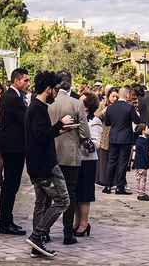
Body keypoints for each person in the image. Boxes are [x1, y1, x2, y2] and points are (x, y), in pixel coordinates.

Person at [24, 70, 73, 258]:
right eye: (55, 89)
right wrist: (60, 124)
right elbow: (42, 135)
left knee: (41, 203)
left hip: (36, 163)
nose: (56, 93)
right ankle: (37, 237)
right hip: (45, 165)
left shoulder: (36, 106)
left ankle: (37, 246)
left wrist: (59, 131)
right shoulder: (38, 108)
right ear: (48, 89)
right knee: (62, 201)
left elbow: (42, 134)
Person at [47, 70, 90, 245]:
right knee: (69, 195)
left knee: (48, 195)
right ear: (70, 84)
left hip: (50, 153)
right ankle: (67, 234)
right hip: (70, 155)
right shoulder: (76, 103)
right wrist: (77, 138)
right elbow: (86, 133)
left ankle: (44, 231)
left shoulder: (47, 102)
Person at [0, 68, 30, 235]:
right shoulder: (12, 98)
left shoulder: (11, 96)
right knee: (11, 185)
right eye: (25, 80)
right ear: (16, 81)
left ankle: (6, 220)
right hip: (13, 147)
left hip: (11, 146)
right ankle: (5, 222)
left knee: (10, 185)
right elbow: (25, 120)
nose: (28, 84)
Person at [103, 87, 140, 195]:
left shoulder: (110, 108)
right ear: (127, 95)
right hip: (125, 138)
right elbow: (137, 121)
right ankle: (120, 187)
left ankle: (108, 186)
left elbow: (107, 123)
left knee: (111, 162)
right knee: (122, 163)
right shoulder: (129, 107)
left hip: (113, 137)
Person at [74, 91, 102, 236]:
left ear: (86, 107)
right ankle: (77, 220)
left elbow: (96, 143)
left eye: (80, 102)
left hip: (87, 160)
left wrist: (84, 139)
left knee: (84, 194)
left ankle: (84, 223)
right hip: (74, 159)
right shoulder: (75, 119)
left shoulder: (94, 121)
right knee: (75, 194)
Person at [94, 87, 117, 186]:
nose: (115, 98)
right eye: (113, 96)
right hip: (104, 132)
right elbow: (95, 115)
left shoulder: (117, 105)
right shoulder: (102, 104)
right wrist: (104, 111)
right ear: (108, 96)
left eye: (116, 96)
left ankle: (112, 179)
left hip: (114, 132)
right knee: (103, 155)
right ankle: (102, 178)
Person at [133, 123, 149, 201]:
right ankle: (142, 194)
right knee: (143, 179)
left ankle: (139, 193)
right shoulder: (144, 142)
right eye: (147, 128)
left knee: (138, 178)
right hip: (142, 163)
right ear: (143, 131)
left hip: (138, 163)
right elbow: (146, 154)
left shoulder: (138, 139)